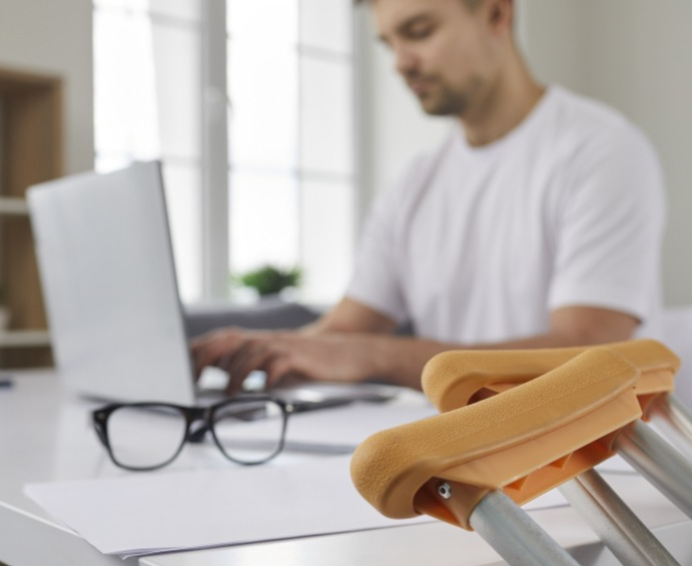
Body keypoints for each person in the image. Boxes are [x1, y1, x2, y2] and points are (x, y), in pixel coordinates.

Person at [192, 0, 665, 394]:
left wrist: (373, 355)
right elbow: (345, 331)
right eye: (389, 44)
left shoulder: (602, 151)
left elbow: (585, 351)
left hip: (580, 458)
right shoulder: (414, 185)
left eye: (417, 32)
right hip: (452, 449)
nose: (400, 62)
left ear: (497, 14)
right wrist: (255, 346)